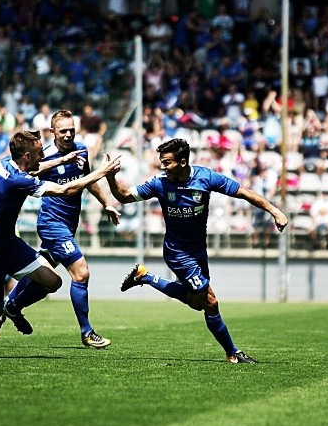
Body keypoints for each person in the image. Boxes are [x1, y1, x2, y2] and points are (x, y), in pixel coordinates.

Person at [107, 138, 288, 364]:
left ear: (182, 162)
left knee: (196, 303)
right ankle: (233, 353)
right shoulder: (159, 184)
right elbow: (123, 197)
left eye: (167, 162)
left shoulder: (206, 178)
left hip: (198, 252)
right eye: (162, 162)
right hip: (177, 253)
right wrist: (110, 177)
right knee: (210, 302)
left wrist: (275, 211)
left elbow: (243, 192)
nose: (163, 167)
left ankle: (145, 277)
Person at [0, 130, 121, 357]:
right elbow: (65, 190)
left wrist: (63, 160)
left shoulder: (7, 164)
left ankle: (12, 307)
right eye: (40, 151)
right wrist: (101, 173)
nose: (45, 153)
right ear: (27, 156)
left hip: (9, 245)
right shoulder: (16, 180)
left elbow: (36, 169)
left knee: (52, 281)